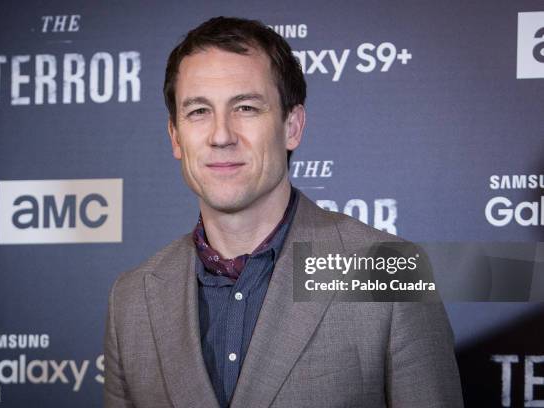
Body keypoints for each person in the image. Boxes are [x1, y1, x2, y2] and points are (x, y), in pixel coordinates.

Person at [104, 16, 463, 408]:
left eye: (245, 107)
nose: (221, 135)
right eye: (198, 112)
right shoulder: (133, 298)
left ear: (292, 126)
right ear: (176, 136)